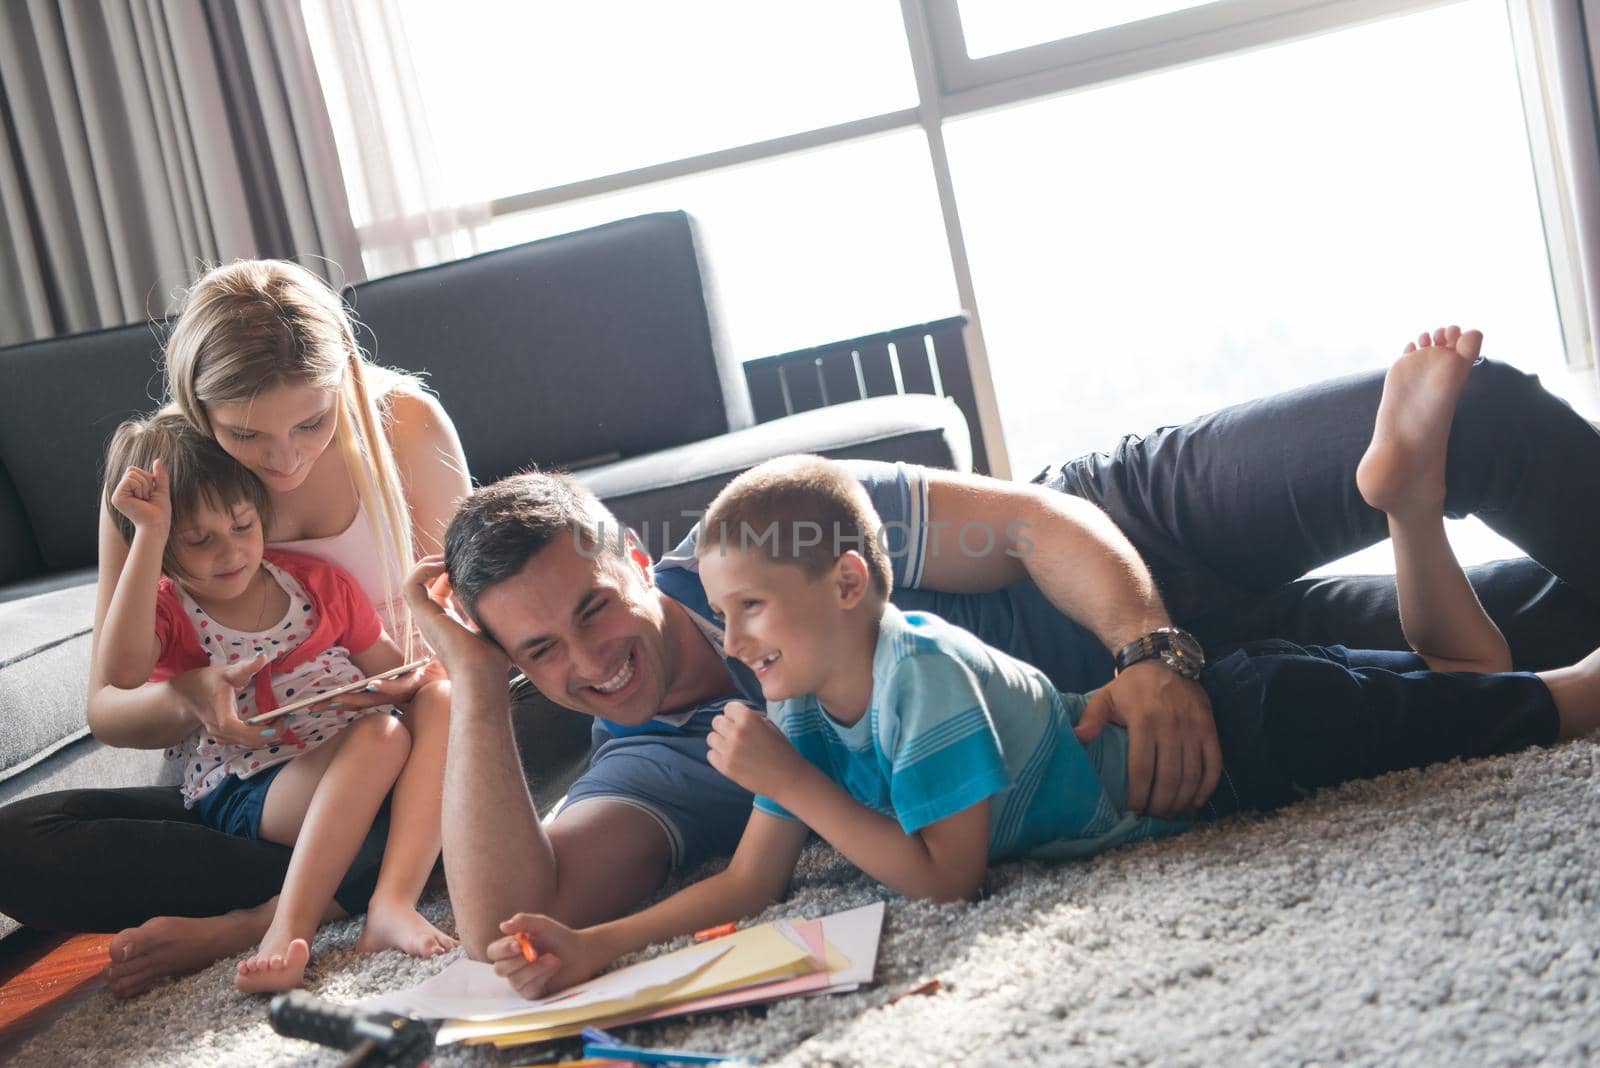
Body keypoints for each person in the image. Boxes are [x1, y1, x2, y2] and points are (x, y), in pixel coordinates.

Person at [405, 324, 1600, 970]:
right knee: (1524, 654)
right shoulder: (676, 761)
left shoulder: (764, 533)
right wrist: (468, 682)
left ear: (627, 554)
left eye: (593, 611)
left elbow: (1031, 524)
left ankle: (1393, 504)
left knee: (1474, 417)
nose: (588, 662)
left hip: (1140, 546)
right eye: (539, 656)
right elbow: (508, 920)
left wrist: (1148, 651)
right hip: (1220, 711)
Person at [0, 260, 472, 996]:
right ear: (199, 406)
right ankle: (354, 877)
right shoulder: (156, 483)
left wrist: (409, 684)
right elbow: (109, 708)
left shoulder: (403, 424)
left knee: (487, 729)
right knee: (16, 847)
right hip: (258, 779)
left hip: (414, 747)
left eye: (312, 421)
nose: (285, 459)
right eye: (247, 434)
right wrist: (189, 695)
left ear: (343, 376)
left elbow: (476, 629)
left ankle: (261, 917)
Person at [98, 412, 456, 991]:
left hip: (353, 766)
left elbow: (397, 671)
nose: (230, 552)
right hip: (254, 785)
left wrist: (400, 682)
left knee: (437, 696)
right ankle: (287, 928)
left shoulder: (316, 584)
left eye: (242, 526)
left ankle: (393, 902)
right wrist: (147, 537)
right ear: (166, 547)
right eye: (198, 540)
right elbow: (121, 671)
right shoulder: (169, 607)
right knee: (381, 736)